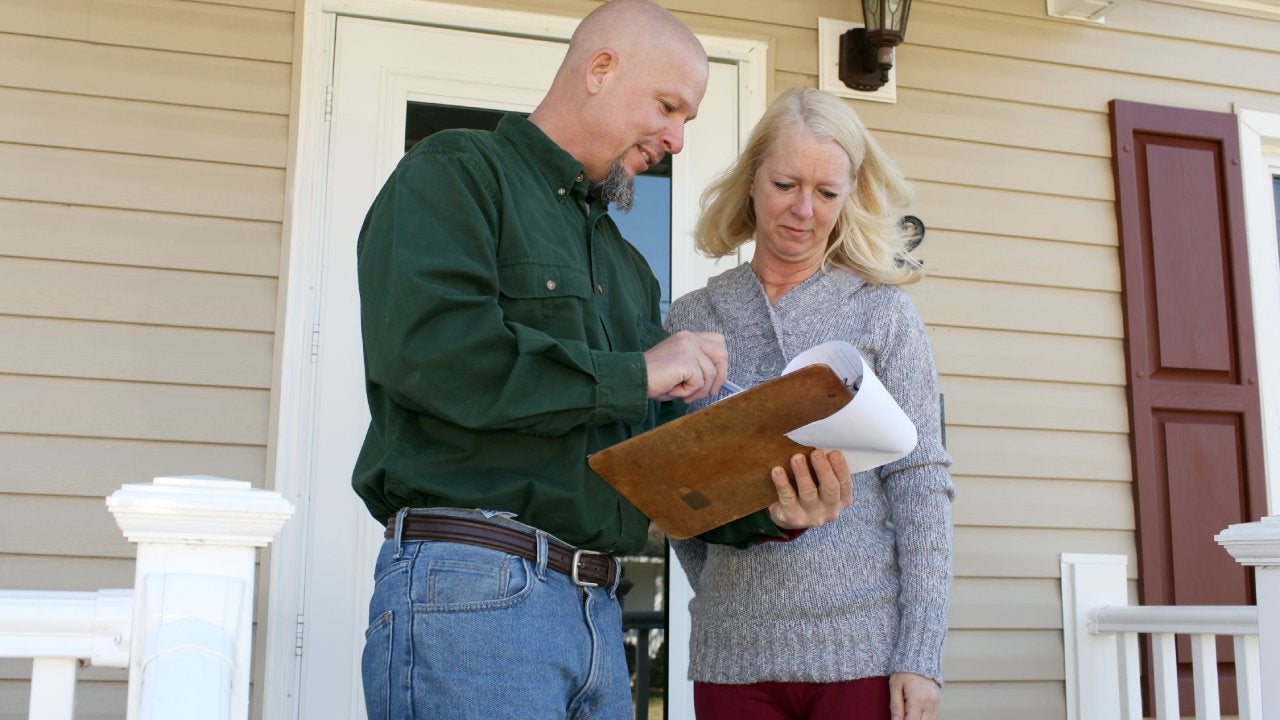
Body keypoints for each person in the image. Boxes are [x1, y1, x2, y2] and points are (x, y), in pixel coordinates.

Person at [351, 4, 852, 719]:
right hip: (472, 588)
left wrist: (775, 500)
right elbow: (436, 356)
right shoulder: (458, 173)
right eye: (668, 106)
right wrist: (639, 373)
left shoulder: (625, 267)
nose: (676, 138)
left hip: (593, 610)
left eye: (688, 121)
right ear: (601, 69)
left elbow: (647, 458)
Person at [664, 87, 956, 720]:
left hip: (865, 653)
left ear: (850, 196)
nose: (803, 210)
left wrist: (919, 651)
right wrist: (719, 592)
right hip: (732, 655)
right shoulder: (693, 319)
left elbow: (921, 484)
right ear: (751, 182)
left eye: (827, 193)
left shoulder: (883, 314)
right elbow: (676, 495)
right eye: (786, 184)